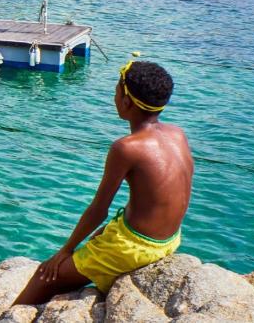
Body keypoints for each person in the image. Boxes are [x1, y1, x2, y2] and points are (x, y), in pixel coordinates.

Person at [14, 61, 190, 305]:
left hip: (136, 247)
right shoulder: (177, 133)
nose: (114, 97)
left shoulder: (126, 147)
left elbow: (99, 209)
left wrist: (65, 251)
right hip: (170, 239)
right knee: (100, 234)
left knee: (45, 275)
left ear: (127, 101)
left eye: (116, 92)